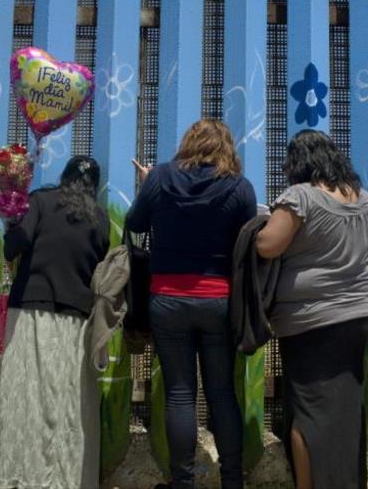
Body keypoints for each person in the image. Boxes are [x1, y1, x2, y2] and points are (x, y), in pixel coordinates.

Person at [256, 129, 368, 489]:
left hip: (307, 323)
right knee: (345, 411)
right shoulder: (366, 201)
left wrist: (255, 226)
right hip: (356, 319)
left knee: (309, 412)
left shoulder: (300, 197)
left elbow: (269, 245)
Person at [126, 119, 257, 489]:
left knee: (180, 394)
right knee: (221, 392)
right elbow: (249, 240)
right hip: (218, 299)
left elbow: (136, 224)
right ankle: (232, 480)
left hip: (167, 298)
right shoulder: (239, 186)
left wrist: (149, 184)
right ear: (226, 147)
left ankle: (182, 482)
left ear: (188, 143)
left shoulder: (161, 178)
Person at [0, 155, 109, 489]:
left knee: (25, 395)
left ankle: (21, 474)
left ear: (64, 176)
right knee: (69, 400)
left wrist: (11, 224)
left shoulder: (40, 200)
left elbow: (15, 247)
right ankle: (67, 477)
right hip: (77, 322)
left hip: (30, 312)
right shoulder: (100, 217)